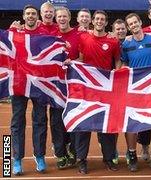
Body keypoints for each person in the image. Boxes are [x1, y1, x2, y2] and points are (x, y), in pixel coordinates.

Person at [76, 10, 121, 174]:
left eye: (103, 19)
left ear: (106, 22)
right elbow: (80, 59)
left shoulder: (113, 41)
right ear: (93, 21)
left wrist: (118, 79)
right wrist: (71, 63)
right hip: (86, 88)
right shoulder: (83, 37)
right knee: (84, 125)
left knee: (106, 125)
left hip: (105, 90)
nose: (100, 21)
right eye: (97, 19)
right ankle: (81, 159)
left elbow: (117, 61)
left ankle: (108, 159)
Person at [121, 13, 151, 173]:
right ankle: (132, 156)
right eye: (130, 24)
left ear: (141, 23)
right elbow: (124, 62)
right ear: (128, 27)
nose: (133, 25)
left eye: (135, 22)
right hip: (134, 89)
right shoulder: (126, 44)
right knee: (132, 123)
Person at [11, 4, 48, 175]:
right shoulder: (15, 33)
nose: (31, 16)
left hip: (39, 84)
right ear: (23, 16)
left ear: (37, 16)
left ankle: (39, 156)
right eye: (28, 14)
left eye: (33, 13)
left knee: (40, 120)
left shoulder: (44, 34)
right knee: (17, 122)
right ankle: (14, 159)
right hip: (19, 83)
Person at [54, 6, 82, 169]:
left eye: (65, 16)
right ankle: (61, 153)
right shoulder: (50, 34)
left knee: (73, 118)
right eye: (59, 17)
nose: (62, 19)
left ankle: (73, 151)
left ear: (70, 17)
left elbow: (83, 56)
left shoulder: (79, 35)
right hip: (55, 86)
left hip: (74, 86)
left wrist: (74, 61)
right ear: (56, 19)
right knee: (57, 121)